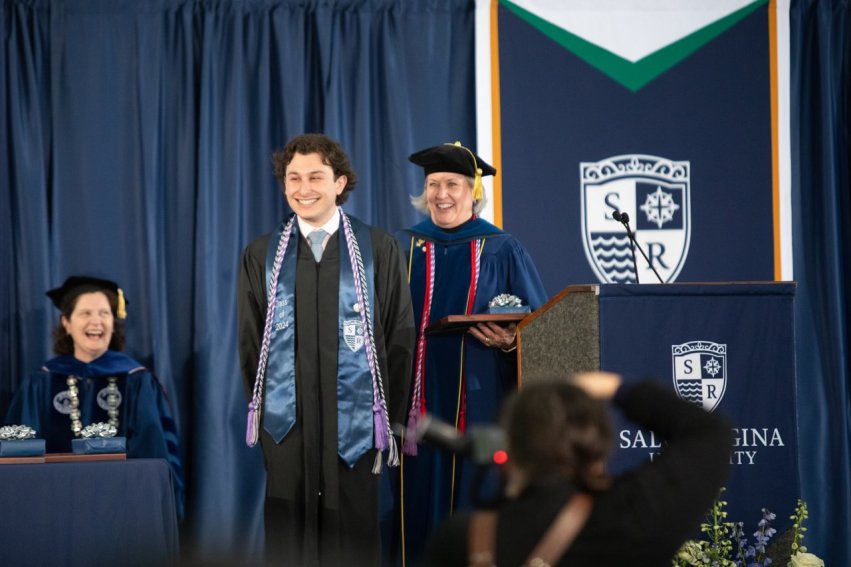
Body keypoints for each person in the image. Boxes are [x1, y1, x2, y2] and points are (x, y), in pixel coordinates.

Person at [238, 133, 416, 566]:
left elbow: (399, 337)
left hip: (357, 425)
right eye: (293, 178)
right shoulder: (262, 255)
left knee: (352, 535)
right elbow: (251, 342)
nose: (303, 189)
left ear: (339, 183)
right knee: (289, 537)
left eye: (316, 177)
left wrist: (388, 421)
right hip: (287, 425)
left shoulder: (378, 249)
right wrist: (266, 416)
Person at [394, 141, 549, 562]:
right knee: (415, 498)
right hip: (417, 400)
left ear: (472, 191)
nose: (441, 194)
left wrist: (512, 341)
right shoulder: (402, 248)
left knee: (475, 497)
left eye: (452, 184)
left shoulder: (502, 248)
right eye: (433, 184)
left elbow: (543, 325)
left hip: (480, 400)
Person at [423, 372, 735, 566]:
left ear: (510, 450)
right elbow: (712, 434)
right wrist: (614, 387)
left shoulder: (462, 540)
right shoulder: (630, 519)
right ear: (597, 449)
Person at [5, 275, 185, 518]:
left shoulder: (137, 380)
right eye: (85, 313)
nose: (96, 321)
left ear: (113, 322)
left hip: (124, 509)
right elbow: (22, 453)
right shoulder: (41, 382)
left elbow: (153, 452)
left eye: (104, 313)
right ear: (66, 322)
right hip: (55, 507)